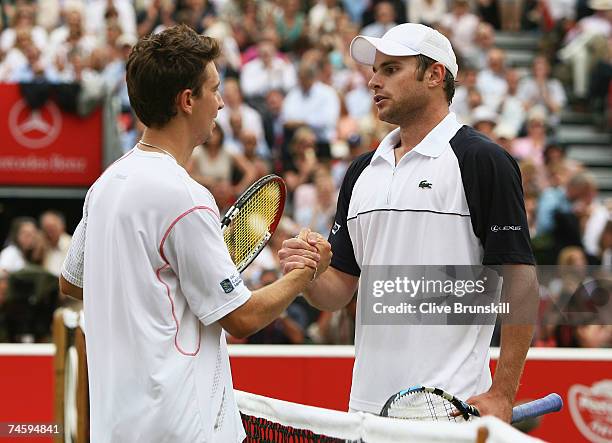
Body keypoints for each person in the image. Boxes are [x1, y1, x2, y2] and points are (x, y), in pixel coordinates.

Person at [59, 25, 324, 443]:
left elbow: (72, 282)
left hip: (116, 430)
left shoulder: (106, 184)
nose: (220, 102)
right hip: (183, 431)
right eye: (214, 90)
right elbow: (241, 318)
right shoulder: (187, 197)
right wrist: (304, 273)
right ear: (187, 100)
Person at [279, 23, 538, 422]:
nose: (373, 81)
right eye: (375, 70)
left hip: (450, 412)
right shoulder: (361, 171)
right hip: (366, 414)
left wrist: (503, 392)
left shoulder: (483, 161)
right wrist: (311, 272)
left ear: (435, 75)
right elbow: (338, 292)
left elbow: (519, 282)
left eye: (390, 70)